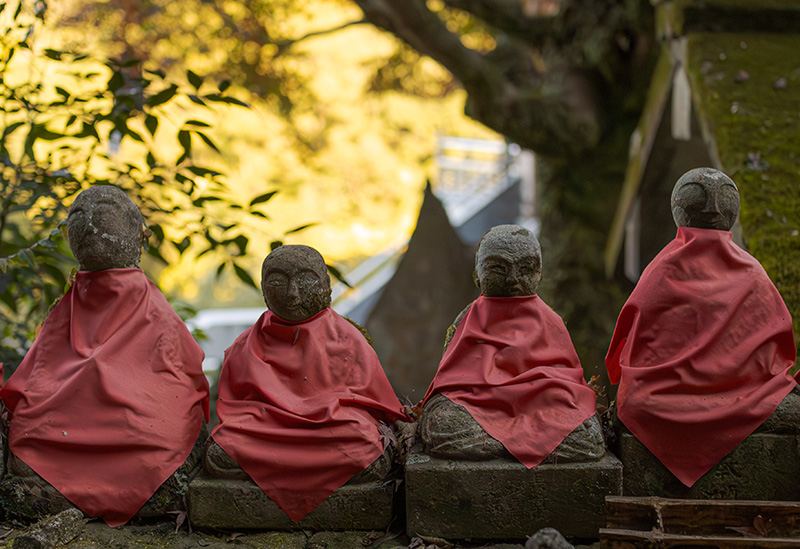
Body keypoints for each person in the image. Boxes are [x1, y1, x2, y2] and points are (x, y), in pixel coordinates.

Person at [0, 185, 209, 526]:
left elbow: (179, 380)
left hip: (139, 424)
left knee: (166, 447)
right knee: (26, 444)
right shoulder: (70, 304)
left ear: (135, 229)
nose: (89, 216)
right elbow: (40, 375)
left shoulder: (153, 307)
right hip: (66, 422)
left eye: (106, 206)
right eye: (77, 213)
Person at [605, 167, 798, 487]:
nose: (711, 207)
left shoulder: (662, 267)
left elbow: (633, 338)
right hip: (744, 392)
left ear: (679, 211)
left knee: (635, 402)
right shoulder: (752, 271)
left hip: (663, 394)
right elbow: (776, 344)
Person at [205, 244, 410, 522]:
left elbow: (373, 399)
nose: (292, 293)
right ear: (264, 289)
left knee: (366, 443)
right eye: (278, 281)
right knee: (222, 450)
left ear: (326, 286)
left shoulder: (346, 337)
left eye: (305, 280)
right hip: (267, 431)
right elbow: (233, 407)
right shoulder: (247, 345)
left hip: (331, 428)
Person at [419, 224, 604, 466]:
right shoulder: (467, 320)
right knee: (441, 423)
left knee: (588, 436)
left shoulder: (550, 320)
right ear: (479, 272)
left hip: (540, 405)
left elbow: (566, 381)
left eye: (526, 268)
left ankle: (497, 444)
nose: (513, 279)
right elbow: (449, 383)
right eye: (498, 268)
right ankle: (526, 444)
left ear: (539, 273)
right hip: (477, 405)